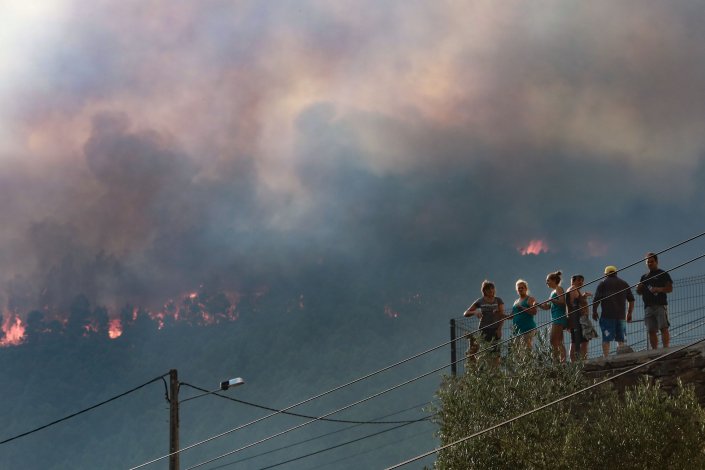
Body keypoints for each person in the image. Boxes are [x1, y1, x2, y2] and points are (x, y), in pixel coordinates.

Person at [592, 265, 635, 357]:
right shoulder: (624, 283)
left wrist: (594, 311)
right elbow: (631, 300)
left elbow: (596, 299)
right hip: (621, 317)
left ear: (605, 274)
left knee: (606, 338)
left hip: (607, 317)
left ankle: (606, 357)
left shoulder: (602, 283)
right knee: (620, 339)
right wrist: (629, 313)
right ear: (616, 273)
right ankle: (621, 356)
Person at [636, 253, 673, 349]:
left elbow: (669, 288)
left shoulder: (663, 273)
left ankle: (666, 348)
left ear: (656, 262)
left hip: (660, 304)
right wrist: (638, 288)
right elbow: (639, 292)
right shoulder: (644, 277)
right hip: (648, 306)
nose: (650, 263)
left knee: (663, 327)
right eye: (648, 262)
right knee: (651, 330)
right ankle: (654, 351)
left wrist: (659, 289)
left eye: (652, 261)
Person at [538, 270, 567, 362]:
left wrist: (552, 300)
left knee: (553, 340)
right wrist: (538, 305)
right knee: (558, 341)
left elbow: (562, 302)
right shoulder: (553, 292)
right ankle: (560, 361)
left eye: (548, 280)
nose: (546, 282)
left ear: (554, 280)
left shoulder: (559, 289)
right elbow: (547, 307)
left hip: (559, 317)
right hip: (555, 317)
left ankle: (559, 361)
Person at [566, 274, 593, 361]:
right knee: (575, 341)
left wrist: (583, 297)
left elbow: (577, 302)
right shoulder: (573, 289)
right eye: (579, 280)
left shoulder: (576, 290)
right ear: (573, 281)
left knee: (584, 341)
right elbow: (573, 304)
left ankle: (583, 360)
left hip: (581, 319)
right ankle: (575, 363)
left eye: (582, 280)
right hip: (578, 319)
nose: (581, 282)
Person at [511, 279, 538, 348]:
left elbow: (534, 312)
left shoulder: (530, 299)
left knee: (527, 350)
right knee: (518, 352)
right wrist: (500, 314)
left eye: (522, 287)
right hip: (517, 331)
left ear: (526, 289)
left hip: (528, 329)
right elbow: (511, 316)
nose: (520, 289)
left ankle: (531, 359)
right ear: (517, 290)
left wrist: (523, 308)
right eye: (518, 288)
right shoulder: (515, 301)